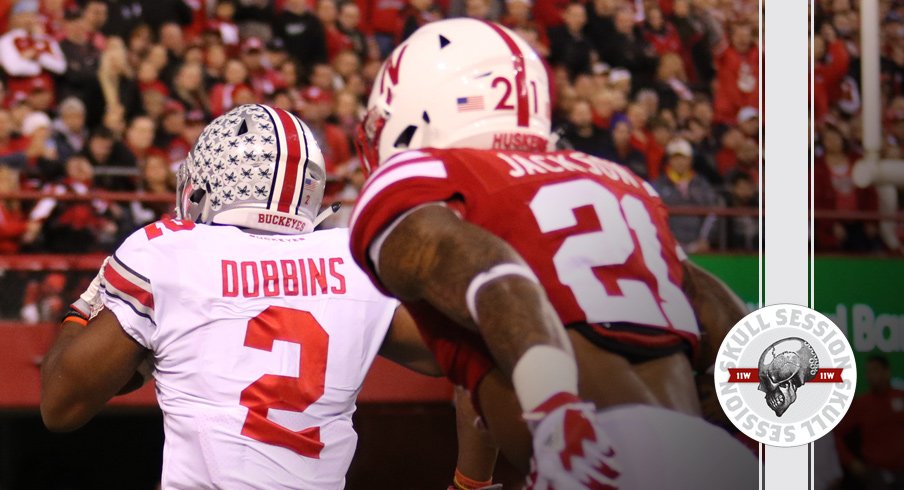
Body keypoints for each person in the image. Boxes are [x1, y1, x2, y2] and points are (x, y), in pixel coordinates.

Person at [351, 18, 755, 489]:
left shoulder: (437, 173)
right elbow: (708, 301)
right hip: (710, 458)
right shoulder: (618, 179)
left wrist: (553, 405)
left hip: (593, 449)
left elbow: (487, 270)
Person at [40, 104, 440, 489]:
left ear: (204, 187)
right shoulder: (352, 254)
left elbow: (61, 406)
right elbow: (452, 359)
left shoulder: (169, 251)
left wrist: (80, 313)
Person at [834, 355, 904, 490]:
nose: (871, 376)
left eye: (875, 370)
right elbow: (836, 435)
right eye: (868, 372)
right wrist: (851, 462)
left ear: (886, 372)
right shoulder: (862, 404)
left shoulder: (900, 397)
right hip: (874, 473)